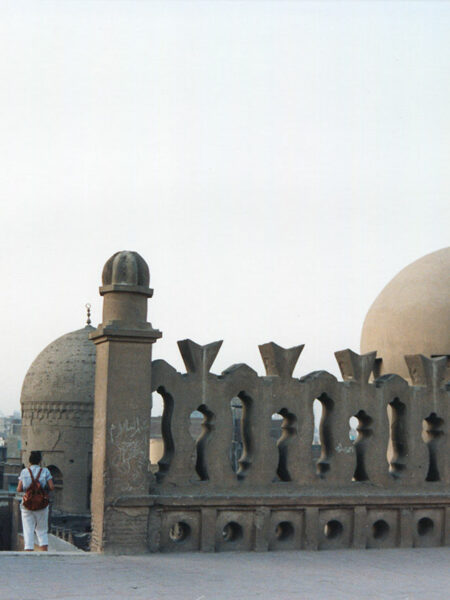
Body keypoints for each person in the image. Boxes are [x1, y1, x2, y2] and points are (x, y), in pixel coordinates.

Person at [17, 450, 55, 551]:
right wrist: (41, 488)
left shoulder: (24, 472)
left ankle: (29, 554)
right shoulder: (45, 471)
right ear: (40, 461)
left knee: (28, 530)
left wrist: (28, 488)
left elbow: (19, 489)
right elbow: (51, 487)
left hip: (27, 505)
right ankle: (44, 555)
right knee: (42, 530)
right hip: (41, 504)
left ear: (30, 461)